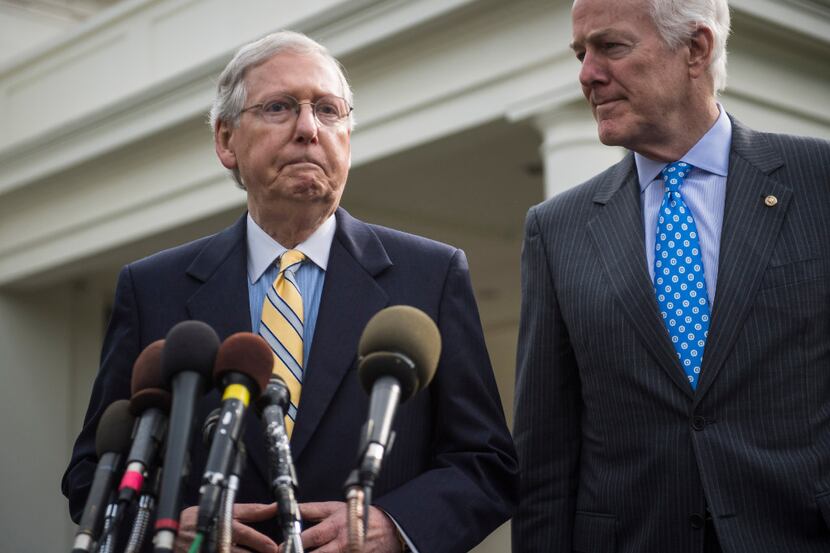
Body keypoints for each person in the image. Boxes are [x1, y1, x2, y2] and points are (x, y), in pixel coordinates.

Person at [63, 30, 518, 553]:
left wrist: (396, 526)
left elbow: (485, 464)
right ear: (226, 141)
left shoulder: (431, 277)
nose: (308, 129)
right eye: (279, 107)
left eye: (329, 110)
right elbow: (93, 473)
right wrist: (171, 523)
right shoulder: (151, 288)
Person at [512, 0, 830, 551]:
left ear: (696, 49)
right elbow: (545, 455)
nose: (587, 73)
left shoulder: (819, 181)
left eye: (611, 46)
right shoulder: (556, 229)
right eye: (581, 53)